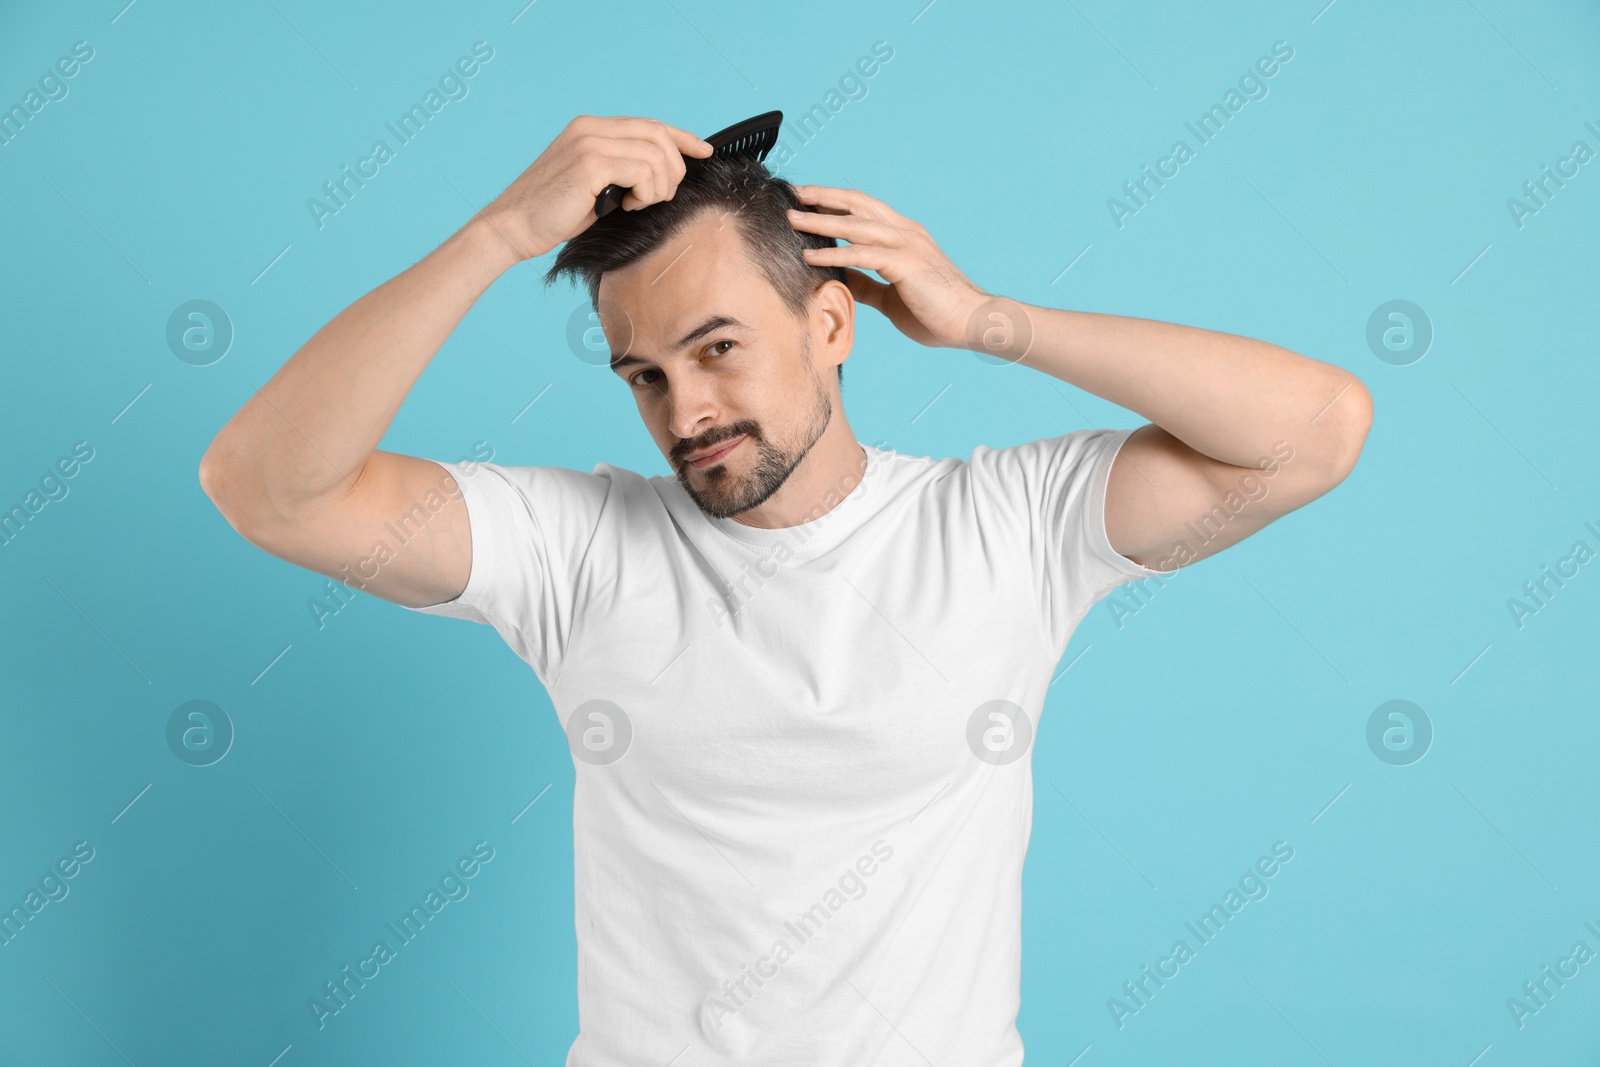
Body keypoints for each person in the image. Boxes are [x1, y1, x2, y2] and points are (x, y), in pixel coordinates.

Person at [199, 114, 1372, 1064]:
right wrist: (498, 233)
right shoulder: (577, 547)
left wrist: (987, 321)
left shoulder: (1004, 525)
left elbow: (1314, 433)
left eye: (718, 349)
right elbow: (269, 489)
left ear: (829, 322)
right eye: (644, 374)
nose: (686, 412)